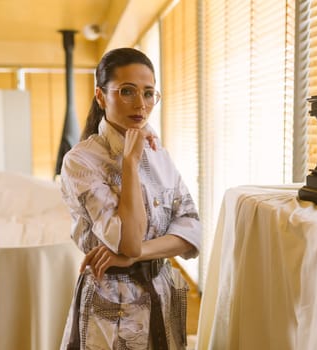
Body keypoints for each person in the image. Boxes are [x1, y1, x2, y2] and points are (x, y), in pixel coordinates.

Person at [59, 47, 201, 350]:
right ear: (101, 96)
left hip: (161, 290)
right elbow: (129, 241)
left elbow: (191, 232)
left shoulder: (159, 153)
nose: (141, 104)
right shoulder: (80, 162)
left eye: (149, 93)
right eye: (127, 91)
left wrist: (135, 255)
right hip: (111, 303)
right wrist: (130, 164)